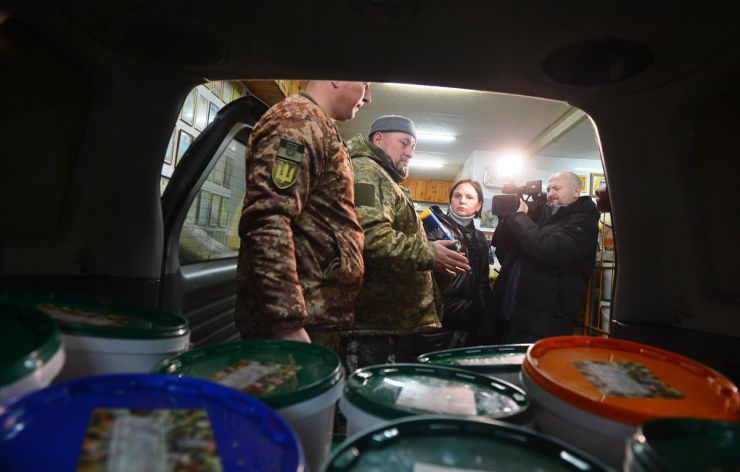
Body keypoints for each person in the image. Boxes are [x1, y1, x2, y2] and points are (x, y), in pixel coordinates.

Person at [234, 81, 372, 348]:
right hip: (295, 324)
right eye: (365, 83)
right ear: (337, 77)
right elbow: (268, 219)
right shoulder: (296, 121)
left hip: (314, 314)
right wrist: (288, 322)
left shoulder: (317, 124)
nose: (368, 97)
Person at [339, 115, 470, 370]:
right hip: (372, 324)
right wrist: (429, 253)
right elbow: (369, 237)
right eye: (404, 143)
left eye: (413, 146)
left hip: (386, 321)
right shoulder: (366, 171)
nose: (410, 152)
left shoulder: (384, 176)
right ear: (378, 139)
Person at [484, 171, 599, 343]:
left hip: (545, 320)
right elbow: (504, 251)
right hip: (509, 313)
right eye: (549, 188)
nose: (551, 193)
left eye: (557, 188)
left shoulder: (583, 221)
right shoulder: (539, 215)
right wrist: (507, 218)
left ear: (576, 191)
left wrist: (519, 217)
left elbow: (550, 251)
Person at [426, 179, 492, 348]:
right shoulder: (434, 228)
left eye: (469, 197)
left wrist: (485, 317)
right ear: (451, 200)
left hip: (471, 325)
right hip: (437, 323)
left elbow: (483, 282)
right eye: (457, 196)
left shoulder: (480, 238)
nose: (462, 200)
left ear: (478, 206)